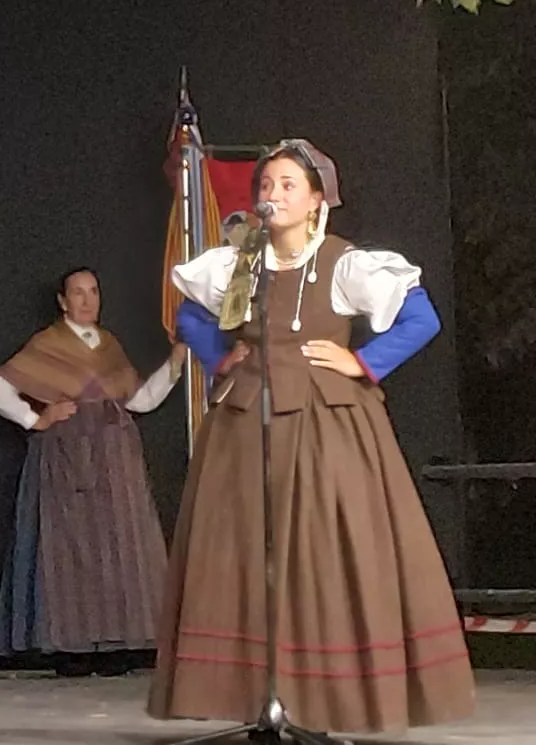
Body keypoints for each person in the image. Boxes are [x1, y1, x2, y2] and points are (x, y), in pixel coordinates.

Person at [151, 140, 474, 734]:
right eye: (266, 186)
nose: (272, 196)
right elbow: (190, 314)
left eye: (287, 186)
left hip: (328, 426)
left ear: (316, 200)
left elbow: (421, 318)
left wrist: (365, 363)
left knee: (323, 552)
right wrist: (220, 358)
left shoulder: (343, 262)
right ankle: (256, 696)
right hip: (247, 422)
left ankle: (327, 697)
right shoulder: (240, 261)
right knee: (244, 551)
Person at [0, 268, 182, 676]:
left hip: (115, 460)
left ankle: (115, 645)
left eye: (93, 292)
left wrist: (176, 361)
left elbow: (140, 402)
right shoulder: (49, 345)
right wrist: (34, 418)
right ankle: (72, 648)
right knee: (69, 550)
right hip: (67, 457)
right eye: (78, 293)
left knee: (117, 548)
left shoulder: (109, 347)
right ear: (62, 301)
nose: (87, 301)